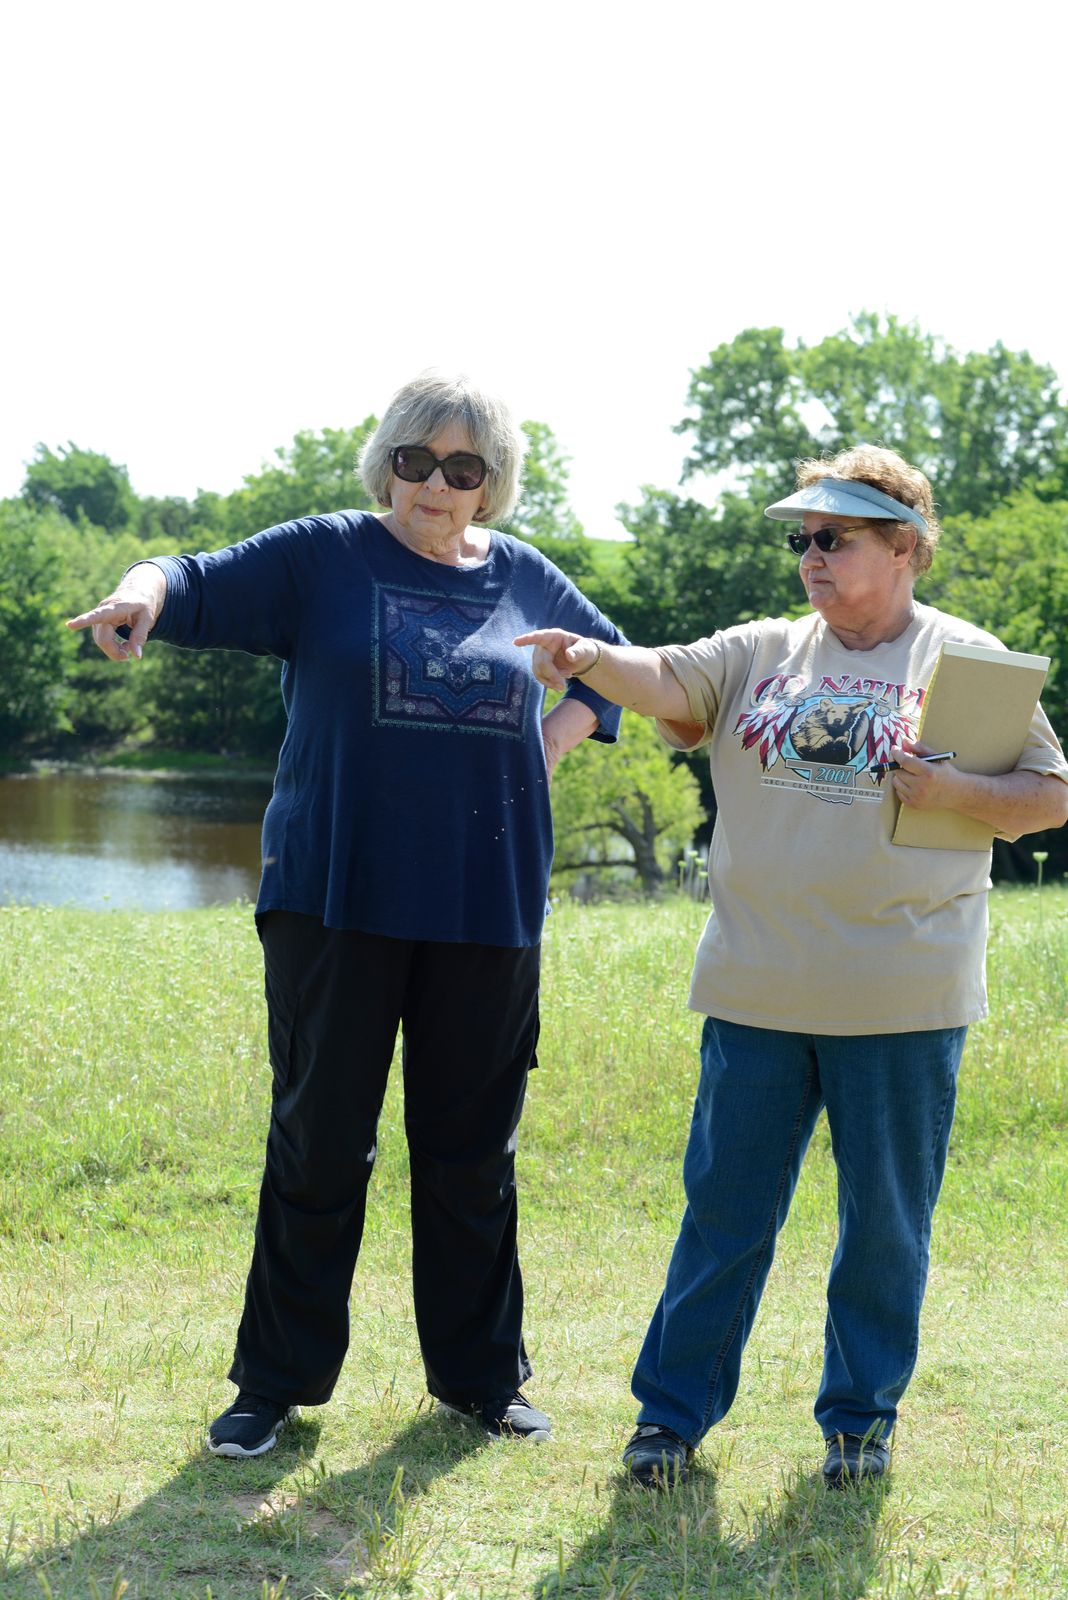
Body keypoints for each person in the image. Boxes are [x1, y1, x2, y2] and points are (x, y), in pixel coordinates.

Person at [69, 371, 627, 1457]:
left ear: (491, 483)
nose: (436, 484)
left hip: (487, 909)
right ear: (388, 464)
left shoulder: (525, 577)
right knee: (319, 1145)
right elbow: (186, 576)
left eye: (462, 468)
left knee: (472, 1156)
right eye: (417, 460)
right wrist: (138, 592)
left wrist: (547, 743)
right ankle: (273, 1384)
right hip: (335, 901)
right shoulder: (325, 555)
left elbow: (615, 671)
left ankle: (481, 1379)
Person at [517, 444, 1068, 1489]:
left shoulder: (967, 661)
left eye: (835, 537)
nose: (811, 555)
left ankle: (859, 1427)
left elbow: (1050, 795)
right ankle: (669, 1422)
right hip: (757, 990)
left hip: (904, 999)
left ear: (903, 546)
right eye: (803, 539)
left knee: (884, 1231)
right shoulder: (764, 649)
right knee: (723, 1220)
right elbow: (663, 675)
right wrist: (588, 656)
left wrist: (956, 793)